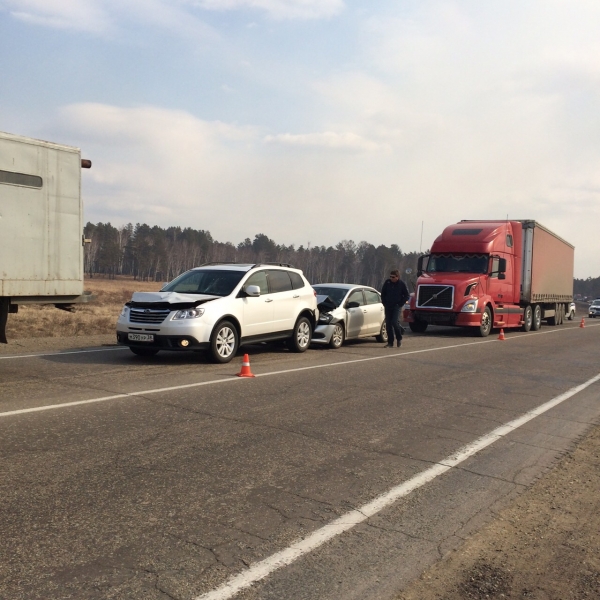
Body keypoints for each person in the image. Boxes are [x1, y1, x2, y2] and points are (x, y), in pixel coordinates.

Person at [381, 269, 410, 347]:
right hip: (388, 305)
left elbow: (407, 296)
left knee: (394, 322)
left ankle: (399, 338)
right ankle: (390, 342)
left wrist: (400, 304)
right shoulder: (387, 283)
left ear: (397, 277)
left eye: (393, 277)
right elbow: (383, 293)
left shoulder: (401, 284)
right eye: (390, 276)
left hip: (396, 306)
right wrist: (384, 302)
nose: (391, 278)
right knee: (388, 324)